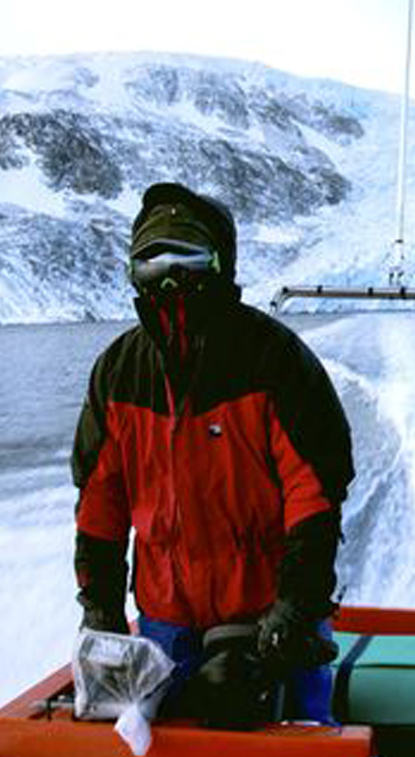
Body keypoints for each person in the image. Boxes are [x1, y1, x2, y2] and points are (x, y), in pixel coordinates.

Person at [71, 182, 354, 725]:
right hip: (166, 622)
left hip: (272, 615)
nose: (171, 278)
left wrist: (293, 607)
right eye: (153, 263)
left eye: (188, 259)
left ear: (219, 266)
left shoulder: (276, 360)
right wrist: (101, 609)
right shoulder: (118, 373)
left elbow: (313, 494)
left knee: (301, 747)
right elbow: (99, 505)